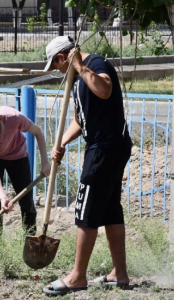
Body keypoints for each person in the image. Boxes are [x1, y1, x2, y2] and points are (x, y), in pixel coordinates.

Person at [42, 36, 132, 296]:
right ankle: (120, 274)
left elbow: (105, 89)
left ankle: (77, 277)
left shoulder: (96, 65)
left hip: (105, 148)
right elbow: (81, 120)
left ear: (63, 58)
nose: (59, 72)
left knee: (87, 210)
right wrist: (62, 142)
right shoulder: (78, 79)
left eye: (58, 66)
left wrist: (80, 67)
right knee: (111, 209)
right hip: (108, 147)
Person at [0, 103, 51, 235]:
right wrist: (3, 197)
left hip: (17, 156)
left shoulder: (14, 117)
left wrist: (45, 162)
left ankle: (29, 240)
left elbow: (38, 132)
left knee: (26, 202)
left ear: (0, 119)